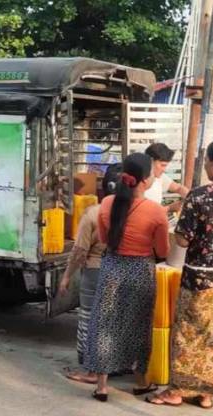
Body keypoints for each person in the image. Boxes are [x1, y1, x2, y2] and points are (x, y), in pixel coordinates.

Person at [147, 137, 213, 408]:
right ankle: (206, 393)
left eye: (207, 161)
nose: (206, 165)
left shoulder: (199, 196)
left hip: (198, 279)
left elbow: (182, 240)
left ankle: (176, 391)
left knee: (187, 334)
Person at [84, 153, 170, 402]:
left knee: (105, 324)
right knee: (138, 326)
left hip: (111, 267)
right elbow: (163, 251)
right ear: (144, 180)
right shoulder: (156, 212)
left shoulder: (107, 203)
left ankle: (102, 386)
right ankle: (141, 382)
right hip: (141, 271)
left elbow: (104, 239)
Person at [59, 170, 114, 385]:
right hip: (121, 271)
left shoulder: (94, 213)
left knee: (90, 320)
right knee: (110, 322)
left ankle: (91, 370)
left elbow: (80, 250)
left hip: (94, 270)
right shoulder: (134, 212)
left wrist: (66, 276)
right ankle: (110, 366)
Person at [144, 143, 189, 214]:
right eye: (162, 165)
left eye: (165, 166)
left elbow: (178, 188)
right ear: (151, 161)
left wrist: (190, 197)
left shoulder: (160, 177)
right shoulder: (139, 182)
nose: (164, 169)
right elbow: (145, 212)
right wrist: (169, 208)